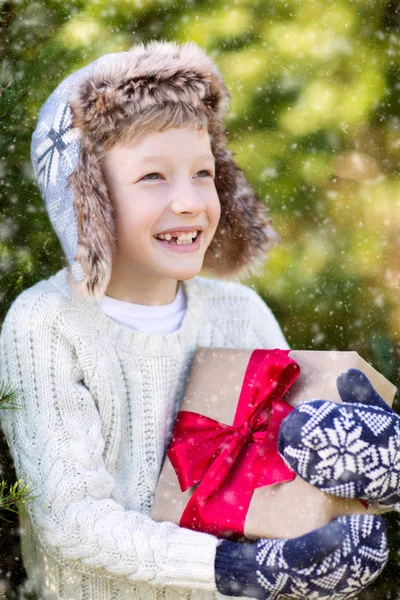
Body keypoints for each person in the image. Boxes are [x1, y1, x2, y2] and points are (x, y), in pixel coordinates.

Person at [0, 40, 391, 600]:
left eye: (203, 173)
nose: (189, 202)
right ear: (88, 200)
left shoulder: (238, 313)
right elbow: (71, 522)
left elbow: (291, 478)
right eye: (153, 177)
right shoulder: (47, 324)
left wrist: (365, 472)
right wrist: (239, 569)